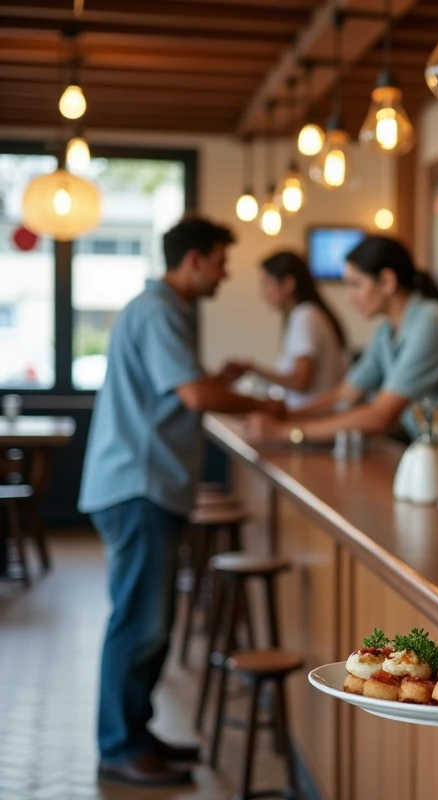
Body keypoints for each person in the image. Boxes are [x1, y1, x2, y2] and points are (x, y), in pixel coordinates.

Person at [78, 217, 286, 788]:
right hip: (137, 486)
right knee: (139, 623)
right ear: (193, 260)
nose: (226, 273)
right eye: (221, 261)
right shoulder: (161, 310)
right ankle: (120, 747)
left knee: (153, 622)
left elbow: (178, 389)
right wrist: (260, 404)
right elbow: (194, 396)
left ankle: (136, 736)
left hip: (142, 484)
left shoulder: (163, 310)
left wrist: (220, 381)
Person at [246, 236, 438, 492]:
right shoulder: (387, 331)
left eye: (355, 285)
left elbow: (379, 417)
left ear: (387, 281)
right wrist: (287, 417)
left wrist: (286, 432)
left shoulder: (432, 322)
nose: (349, 298)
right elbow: (345, 393)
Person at [221, 250, 349, 409]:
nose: (263, 292)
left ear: (288, 284)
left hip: (307, 422)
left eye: (267, 282)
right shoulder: (309, 314)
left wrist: (255, 369)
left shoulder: (305, 316)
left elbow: (301, 381)